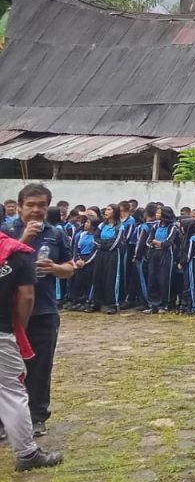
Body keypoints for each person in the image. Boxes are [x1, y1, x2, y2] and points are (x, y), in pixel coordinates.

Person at [1, 184, 74, 439]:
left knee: (40, 366)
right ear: (19, 205)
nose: (35, 210)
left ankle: (36, 416)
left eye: (41, 205)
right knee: (6, 369)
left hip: (43, 309)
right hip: (7, 312)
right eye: (30, 205)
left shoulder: (56, 234)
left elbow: (70, 267)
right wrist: (24, 242)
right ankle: (4, 421)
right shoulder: (5, 231)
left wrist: (55, 267)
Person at [0, 226, 63, 471]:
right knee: (13, 392)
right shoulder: (20, 253)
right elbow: (26, 296)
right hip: (3, 329)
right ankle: (27, 454)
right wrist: (21, 328)